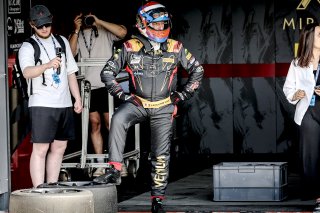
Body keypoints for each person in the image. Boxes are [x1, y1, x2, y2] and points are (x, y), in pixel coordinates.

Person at [96, 1, 204, 212]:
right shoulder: (129, 46)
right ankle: (115, 169)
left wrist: (182, 95)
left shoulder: (176, 47)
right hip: (138, 103)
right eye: (156, 24)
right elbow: (106, 73)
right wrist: (122, 95)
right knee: (118, 118)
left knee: (161, 155)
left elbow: (198, 70)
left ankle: (158, 199)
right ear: (142, 24)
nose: (160, 28)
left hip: (164, 106)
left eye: (164, 23)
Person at [18, 5, 82, 188]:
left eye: (47, 24)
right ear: (32, 25)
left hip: (63, 103)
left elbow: (70, 72)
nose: (44, 28)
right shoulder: (28, 46)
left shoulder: (61, 41)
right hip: (41, 103)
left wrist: (77, 98)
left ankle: (52, 186)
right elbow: (27, 72)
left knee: (60, 147)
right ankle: (39, 189)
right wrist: (46, 65)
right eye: (40, 26)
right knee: (41, 148)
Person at [69, 11, 127, 177]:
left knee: (112, 124)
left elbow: (122, 32)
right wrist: (76, 29)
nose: (87, 21)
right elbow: (71, 53)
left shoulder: (104, 30)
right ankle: (100, 164)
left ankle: (118, 162)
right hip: (89, 86)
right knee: (94, 124)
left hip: (107, 84)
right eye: (84, 18)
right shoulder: (77, 34)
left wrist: (99, 21)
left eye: (89, 17)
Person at [283, 22, 320, 200]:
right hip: (308, 112)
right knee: (310, 156)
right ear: (310, 38)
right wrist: (295, 94)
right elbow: (288, 88)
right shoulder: (297, 63)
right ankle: (313, 195)